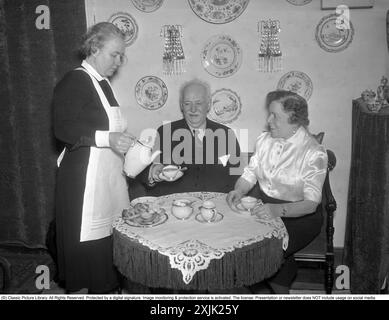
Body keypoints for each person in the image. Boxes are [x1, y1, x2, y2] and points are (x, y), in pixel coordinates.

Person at [53, 22, 136, 294]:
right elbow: (64, 128)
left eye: (122, 56)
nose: (118, 61)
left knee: (108, 248)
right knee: (90, 255)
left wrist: (126, 141)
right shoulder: (75, 80)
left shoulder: (102, 84)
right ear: (95, 48)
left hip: (107, 182)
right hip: (84, 184)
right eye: (114, 54)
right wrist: (107, 138)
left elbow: (107, 128)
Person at [227, 90, 328, 294]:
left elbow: (311, 204)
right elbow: (250, 173)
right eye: (269, 114)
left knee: (256, 256)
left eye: (275, 116)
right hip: (264, 210)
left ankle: (267, 283)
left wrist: (277, 210)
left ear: (294, 121)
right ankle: (281, 281)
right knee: (236, 244)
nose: (269, 120)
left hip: (299, 218)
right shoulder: (264, 140)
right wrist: (239, 189)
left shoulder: (313, 152)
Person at [136, 79, 241, 196]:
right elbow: (145, 173)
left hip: (214, 206)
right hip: (174, 206)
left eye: (199, 103)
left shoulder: (227, 134)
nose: (193, 109)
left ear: (208, 105)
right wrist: (154, 174)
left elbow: (236, 177)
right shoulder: (164, 132)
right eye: (187, 103)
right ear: (181, 106)